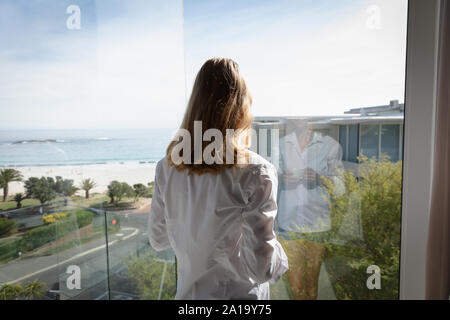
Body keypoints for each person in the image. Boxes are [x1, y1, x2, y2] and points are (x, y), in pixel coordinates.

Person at [148, 58, 288, 300]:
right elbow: (261, 269)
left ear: (195, 105)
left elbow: (158, 239)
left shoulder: (166, 167)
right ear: (241, 108)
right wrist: (278, 250)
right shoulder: (256, 172)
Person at [277, 119, 344, 300]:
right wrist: (281, 179)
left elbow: (341, 188)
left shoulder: (330, 146)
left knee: (312, 286)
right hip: (289, 224)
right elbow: (268, 183)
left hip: (318, 225)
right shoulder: (280, 146)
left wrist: (320, 179)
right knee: (296, 288)